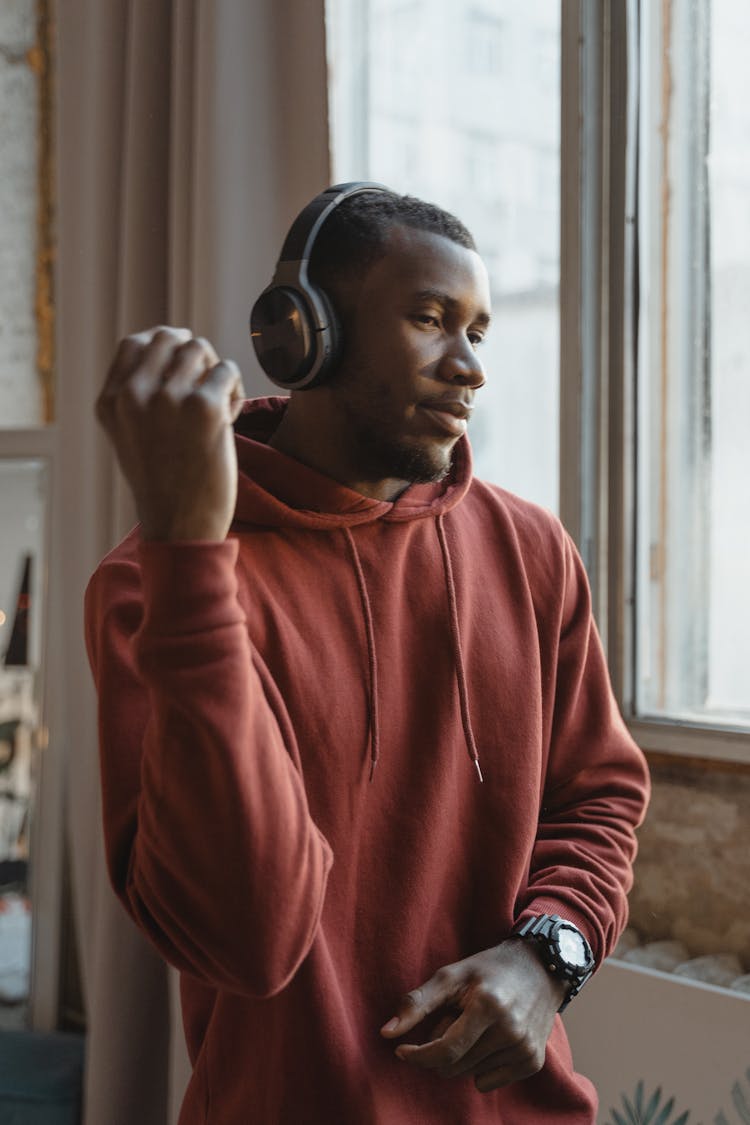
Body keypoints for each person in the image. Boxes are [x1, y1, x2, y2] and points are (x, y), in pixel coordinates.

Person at [85, 184, 650, 1124]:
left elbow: (599, 795)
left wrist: (546, 958)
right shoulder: (156, 582)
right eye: (431, 320)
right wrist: (192, 552)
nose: (469, 366)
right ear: (304, 334)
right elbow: (249, 933)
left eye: (479, 332)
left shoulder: (533, 550)